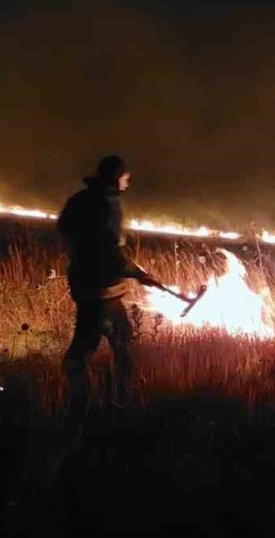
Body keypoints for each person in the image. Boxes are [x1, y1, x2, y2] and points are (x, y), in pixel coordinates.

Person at [55, 155, 159, 414]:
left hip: (84, 284)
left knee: (96, 337)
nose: (128, 182)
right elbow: (111, 252)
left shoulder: (80, 199)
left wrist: (78, 254)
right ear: (116, 177)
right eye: (125, 177)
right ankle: (115, 395)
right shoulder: (108, 204)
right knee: (114, 339)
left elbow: (63, 228)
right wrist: (139, 273)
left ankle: (81, 389)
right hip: (103, 290)